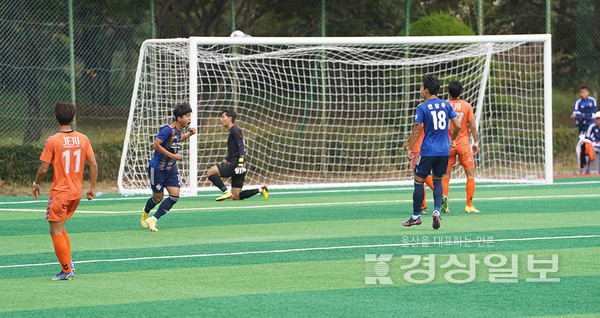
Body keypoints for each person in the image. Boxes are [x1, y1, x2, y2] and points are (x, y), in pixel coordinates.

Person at [32, 102, 98, 280]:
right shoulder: (83, 138)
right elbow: (93, 164)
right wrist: (92, 188)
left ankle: (67, 270)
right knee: (59, 227)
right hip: (76, 193)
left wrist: (35, 183)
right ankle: (69, 263)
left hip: (60, 193)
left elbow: (44, 169)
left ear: (55, 118)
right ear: (73, 118)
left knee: (55, 232)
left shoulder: (52, 140)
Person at [403, 75, 460, 229]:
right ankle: (436, 211)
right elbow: (458, 125)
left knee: (418, 181)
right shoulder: (446, 105)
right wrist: (453, 140)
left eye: (422, 87)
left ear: (426, 89)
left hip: (428, 151)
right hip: (443, 151)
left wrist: (409, 146)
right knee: (437, 180)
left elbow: (417, 129)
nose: (421, 90)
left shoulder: (422, 107)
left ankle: (416, 216)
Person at [141, 103, 196, 232]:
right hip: (158, 169)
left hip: (171, 168)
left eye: (190, 116)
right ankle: (146, 212)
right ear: (179, 118)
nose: (189, 119)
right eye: (187, 116)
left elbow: (176, 140)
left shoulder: (178, 131)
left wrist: (188, 135)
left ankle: (153, 219)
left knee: (174, 196)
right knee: (158, 198)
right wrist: (173, 155)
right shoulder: (167, 129)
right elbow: (156, 145)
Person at [206, 110, 268, 201]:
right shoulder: (232, 131)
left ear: (230, 118)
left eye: (223, 117)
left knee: (210, 172)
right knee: (236, 196)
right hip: (238, 165)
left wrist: (241, 161)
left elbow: (241, 145)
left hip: (236, 164)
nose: (221, 119)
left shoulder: (235, 130)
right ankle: (261, 190)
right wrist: (225, 161)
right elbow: (233, 151)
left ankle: (226, 192)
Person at [441, 81, 480, 214]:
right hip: (463, 144)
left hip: (447, 144)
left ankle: (445, 206)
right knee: (470, 174)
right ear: (461, 92)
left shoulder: (443, 105)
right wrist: (475, 142)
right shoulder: (467, 106)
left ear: (448, 92)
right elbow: (473, 126)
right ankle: (469, 205)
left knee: (445, 176)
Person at [409, 129, 434, 214]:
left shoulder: (421, 115)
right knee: (423, 174)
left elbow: (417, 130)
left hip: (418, 148)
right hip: (427, 148)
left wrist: (408, 143)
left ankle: (423, 206)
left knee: (419, 176)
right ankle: (439, 193)